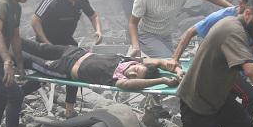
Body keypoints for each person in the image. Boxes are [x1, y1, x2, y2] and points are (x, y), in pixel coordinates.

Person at [172, 0, 253, 115]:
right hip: (217, 70)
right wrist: (174, 60)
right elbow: (190, 32)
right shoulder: (223, 17)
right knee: (251, 97)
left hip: (237, 72)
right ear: (242, 4)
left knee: (225, 104)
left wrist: (247, 52)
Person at [32, 0, 102, 118]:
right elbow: (35, 20)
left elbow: (93, 15)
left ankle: (69, 110)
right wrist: (45, 43)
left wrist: (98, 31)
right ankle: (17, 97)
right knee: (44, 76)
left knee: (75, 72)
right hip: (47, 42)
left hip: (66, 41)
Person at [129, 0, 232, 59]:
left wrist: (232, 8)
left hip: (166, 35)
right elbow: (133, 23)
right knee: (169, 61)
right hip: (147, 35)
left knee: (172, 61)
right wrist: (135, 46)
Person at [21, 40, 182, 90]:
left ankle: (0, 52)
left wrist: (161, 81)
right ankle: (3, 34)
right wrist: (178, 70)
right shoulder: (130, 61)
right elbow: (162, 62)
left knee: (26, 59)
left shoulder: (118, 79)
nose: (133, 72)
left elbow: (129, 85)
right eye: (137, 69)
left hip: (63, 68)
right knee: (37, 47)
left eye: (135, 75)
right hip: (75, 52)